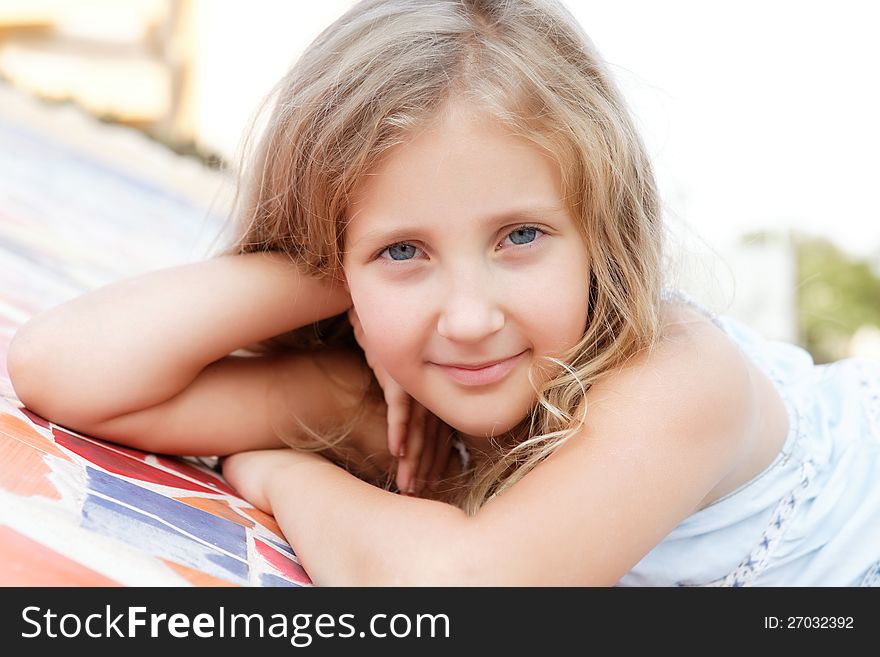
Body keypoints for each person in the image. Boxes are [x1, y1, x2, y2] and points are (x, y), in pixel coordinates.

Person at [7, 0, 880, 586]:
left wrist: (281, 471)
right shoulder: (393, 388)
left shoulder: (681, 380)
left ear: (600, 234)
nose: (468, 318)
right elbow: (65, 368)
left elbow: (463, 600)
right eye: (404, 251)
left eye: (522, 236)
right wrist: (329, 255)